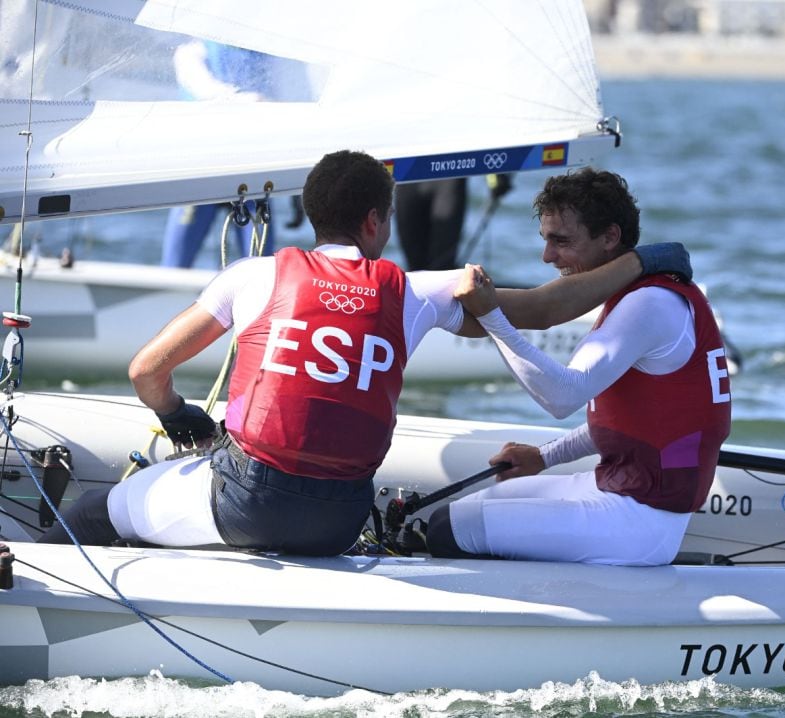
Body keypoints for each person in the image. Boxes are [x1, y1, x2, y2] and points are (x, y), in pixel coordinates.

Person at [38, 150, 694, 556]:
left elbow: (145, 371)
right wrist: (642, 263)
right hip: (340, 516)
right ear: (377, 222)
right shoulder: (412, 291)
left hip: (247, 502)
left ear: (311, 213)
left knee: (99, 511)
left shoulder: (251, 276)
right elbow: (543, 307)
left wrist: (181, 417)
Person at [427, 167, 731, 566]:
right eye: (545, 240)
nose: (547, 256)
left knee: (448, 529)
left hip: (639, 522)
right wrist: (545, 457)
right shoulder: (639, 295)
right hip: (615, 491)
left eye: (561, 241)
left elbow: (562, 397)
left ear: (610, 238)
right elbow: (628, 423)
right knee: (468, 508)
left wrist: (492, 316)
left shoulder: (650, 304)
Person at [161, 41, 279, 268]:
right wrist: (248, 100)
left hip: (250, 175)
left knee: (262, 268)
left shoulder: (264, 53)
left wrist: (297, 196)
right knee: (174, 267)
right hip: (202, 175)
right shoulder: (192, 51)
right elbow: (204, 88)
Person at [395, 174, 511, 271]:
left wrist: (494, 175)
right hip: (407, 180)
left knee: (442, 266)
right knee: (414, 268)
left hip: (449, 179)